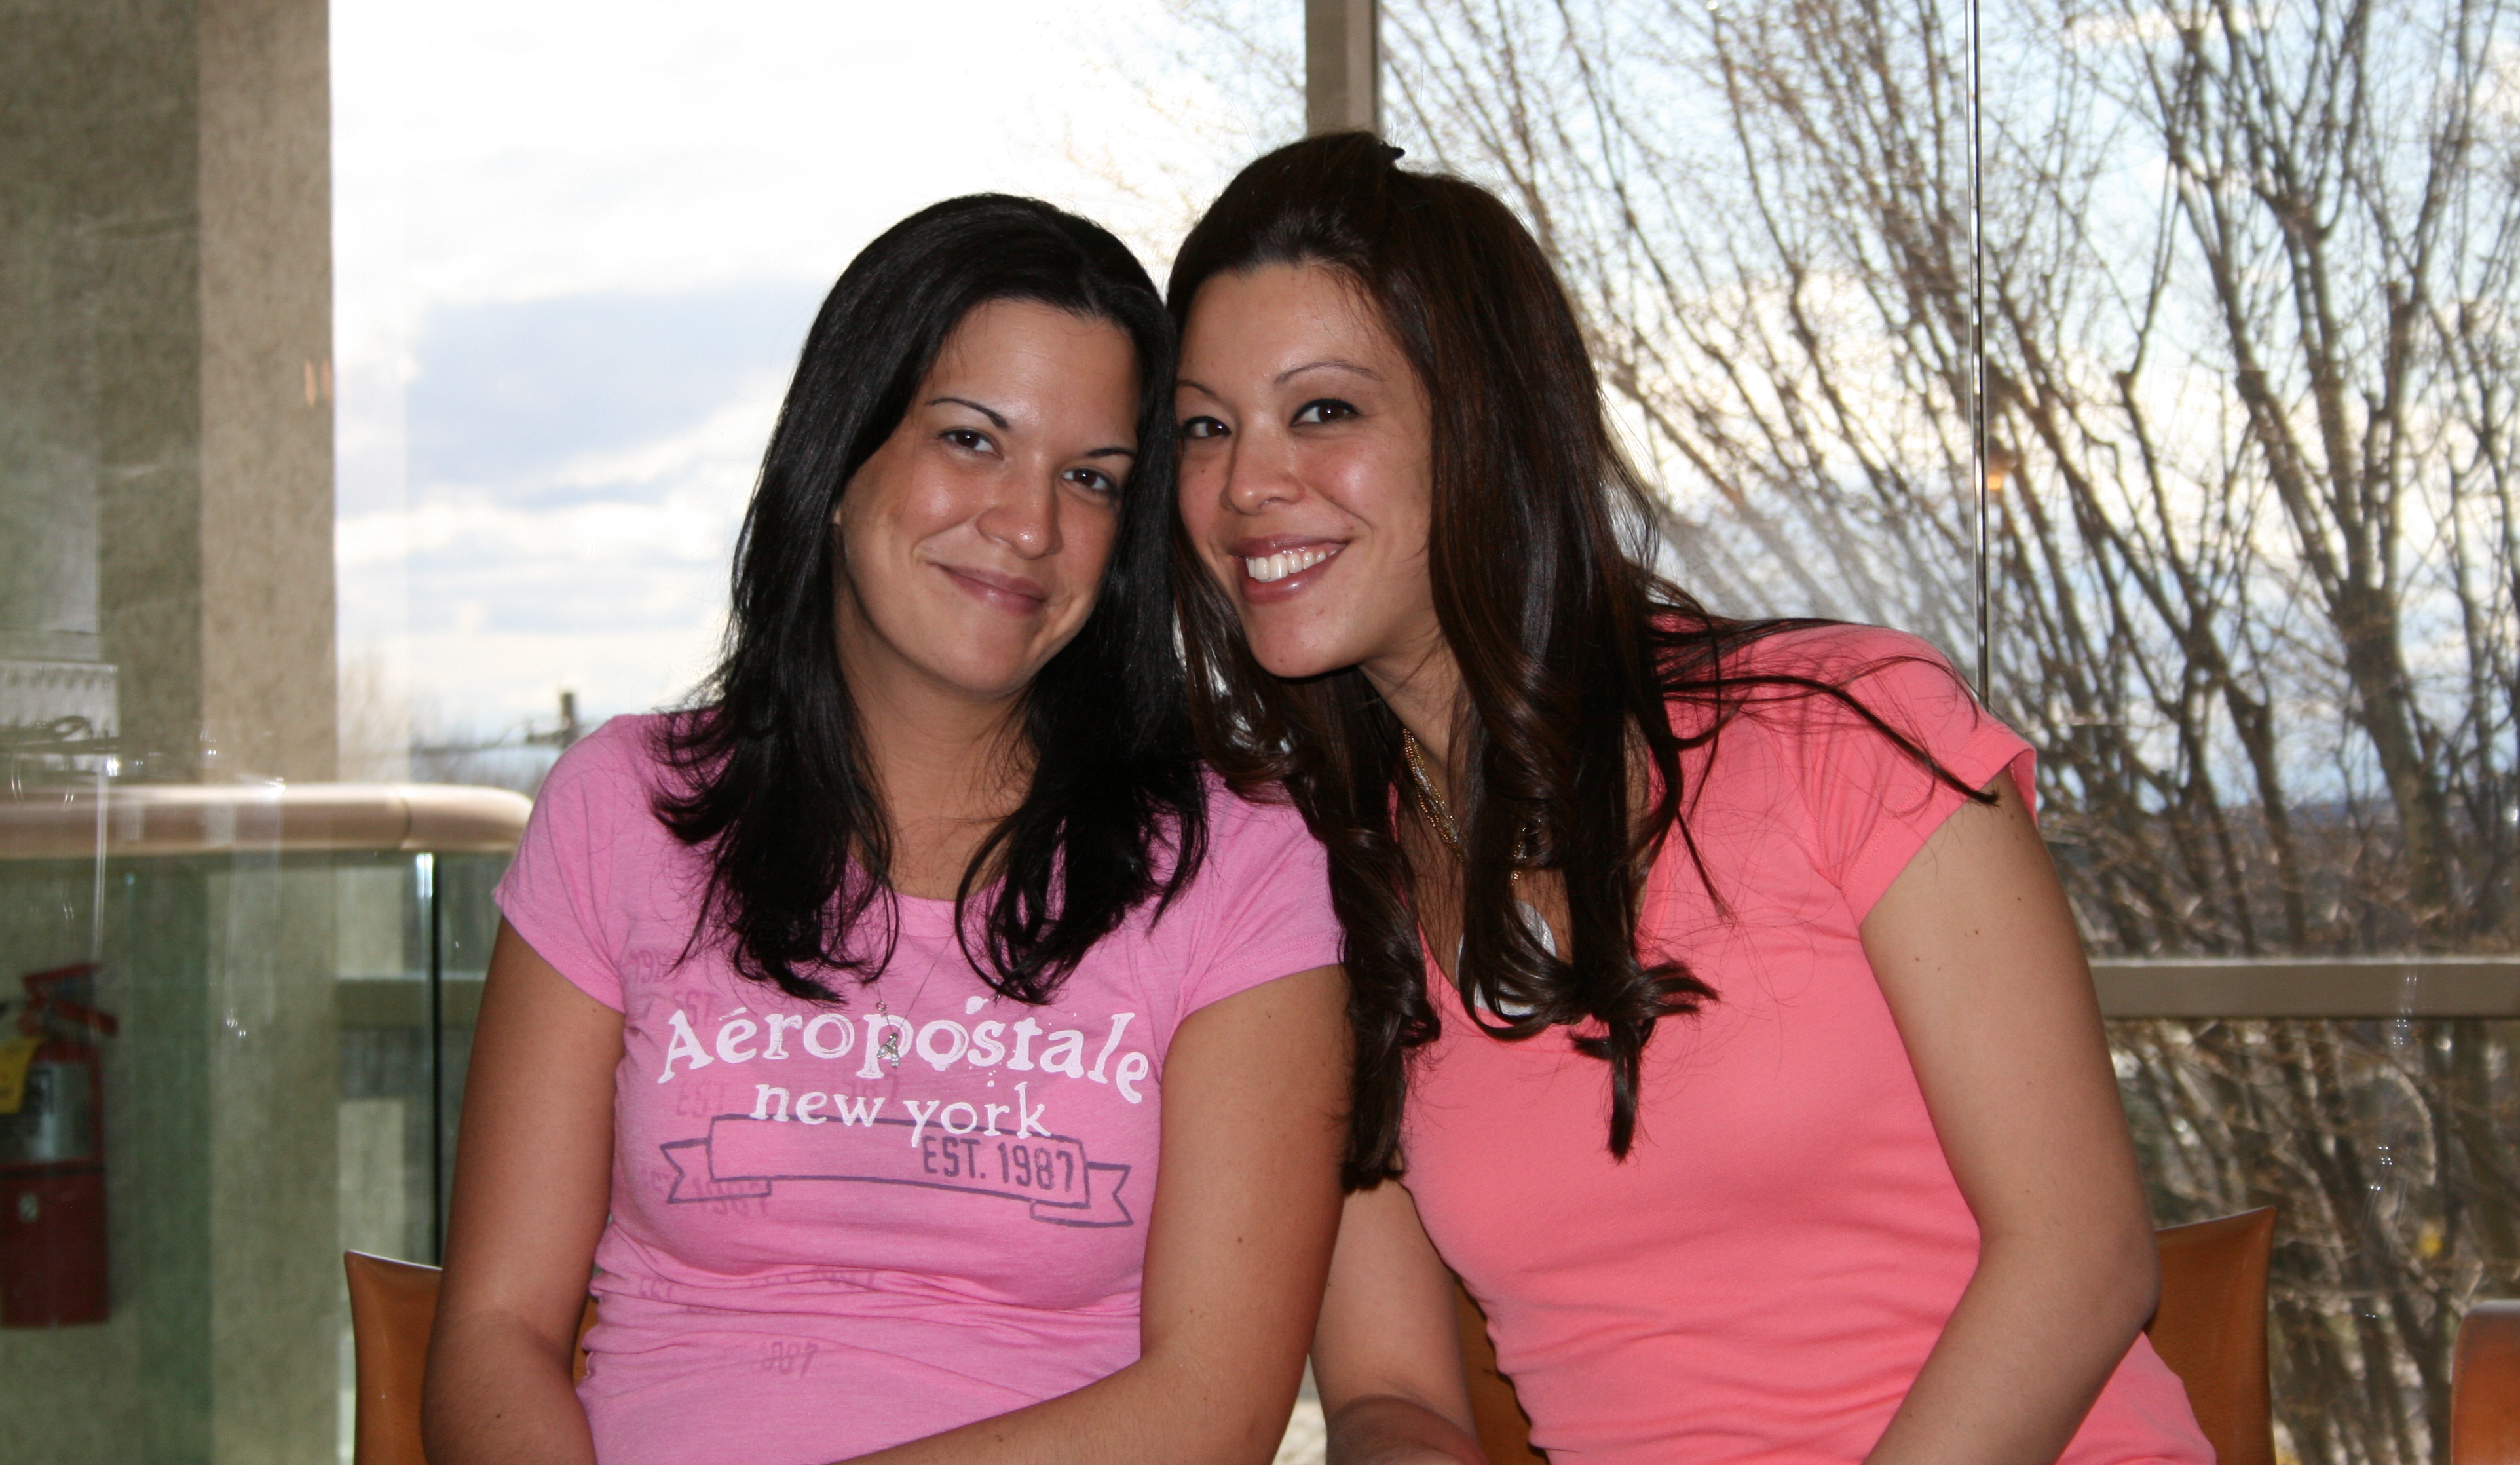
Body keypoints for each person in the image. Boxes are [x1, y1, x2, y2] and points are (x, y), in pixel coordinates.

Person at [1164, 133, 2213, 1465]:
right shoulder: (1318, 885)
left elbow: (2083, 1257)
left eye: (1324, 410)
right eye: (1207, 426)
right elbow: (1391, 1395)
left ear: (1484, 423)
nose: (1247, 484)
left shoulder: (1851, 730)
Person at [424, 195, 1347, 1465]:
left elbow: (1213, 1411)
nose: (1029, 525)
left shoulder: (1232, 864)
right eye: (972, 441)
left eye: (1090, 480)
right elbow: (491, 1332)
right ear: (841, 457)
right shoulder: (620, 811)